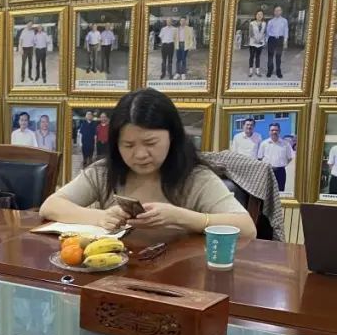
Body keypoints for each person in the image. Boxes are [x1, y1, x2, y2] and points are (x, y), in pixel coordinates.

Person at [40, 88, 256, 239]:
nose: (140, 154)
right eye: (128, 145)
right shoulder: (105, 172)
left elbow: (247, 229)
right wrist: (101, 217)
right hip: (112, 275)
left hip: (178, 278)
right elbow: (50, 206)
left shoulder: (195, 177)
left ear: (172, 137)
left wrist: (181, 217)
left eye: (150, 143)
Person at [258, 122, 294, 192]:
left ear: (279, 131)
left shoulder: (286, 144)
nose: (274, 132)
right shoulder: (264, 144)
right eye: (272, 130)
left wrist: (282, 164)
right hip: (268, 171)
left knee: (280, 191)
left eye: (276, 130)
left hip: (280, 172)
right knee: (267, 191)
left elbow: (290, 158)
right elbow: (260, 158)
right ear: (269, 132)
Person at [266, 5, 288, 79]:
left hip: (280, 39)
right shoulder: (270, 21)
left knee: (278, 56)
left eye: (279, 10)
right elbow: (267, 32)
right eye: (276, 10)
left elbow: (286, 30)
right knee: (270, 56)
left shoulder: (284, 21)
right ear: (274, 12)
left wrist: (285, 41)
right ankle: (270, 70)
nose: (277, 12)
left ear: (281, 11)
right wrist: (266, 41)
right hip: (271, 39)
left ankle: (278, 71)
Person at [174, 15, 196, 80]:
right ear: (180, 21)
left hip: (185, 45)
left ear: (185, 21)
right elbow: (174, 38)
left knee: (183, 59)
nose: (182, 22)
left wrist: (190, 46)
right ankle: (178, 73)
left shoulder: (189, 29)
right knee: (178, 60)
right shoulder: (177, 29)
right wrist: (174, 45)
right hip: (178, 45)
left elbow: (191, 38)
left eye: (184, 21)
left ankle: (183, 73)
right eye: (181, 21)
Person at [247, 9, 267, 78]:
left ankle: (257, 71)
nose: (259, 16)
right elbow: (250, 33)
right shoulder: (252, 23)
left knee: (258, 57)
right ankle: (250, 71)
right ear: (255, 15)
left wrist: (261, 40)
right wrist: (256, 40)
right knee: (252, 57)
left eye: (261, 14)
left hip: (260, 43)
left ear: (263, 16)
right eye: (258, 14)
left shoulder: (264, 23)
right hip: (253, 43)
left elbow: (264, 33)